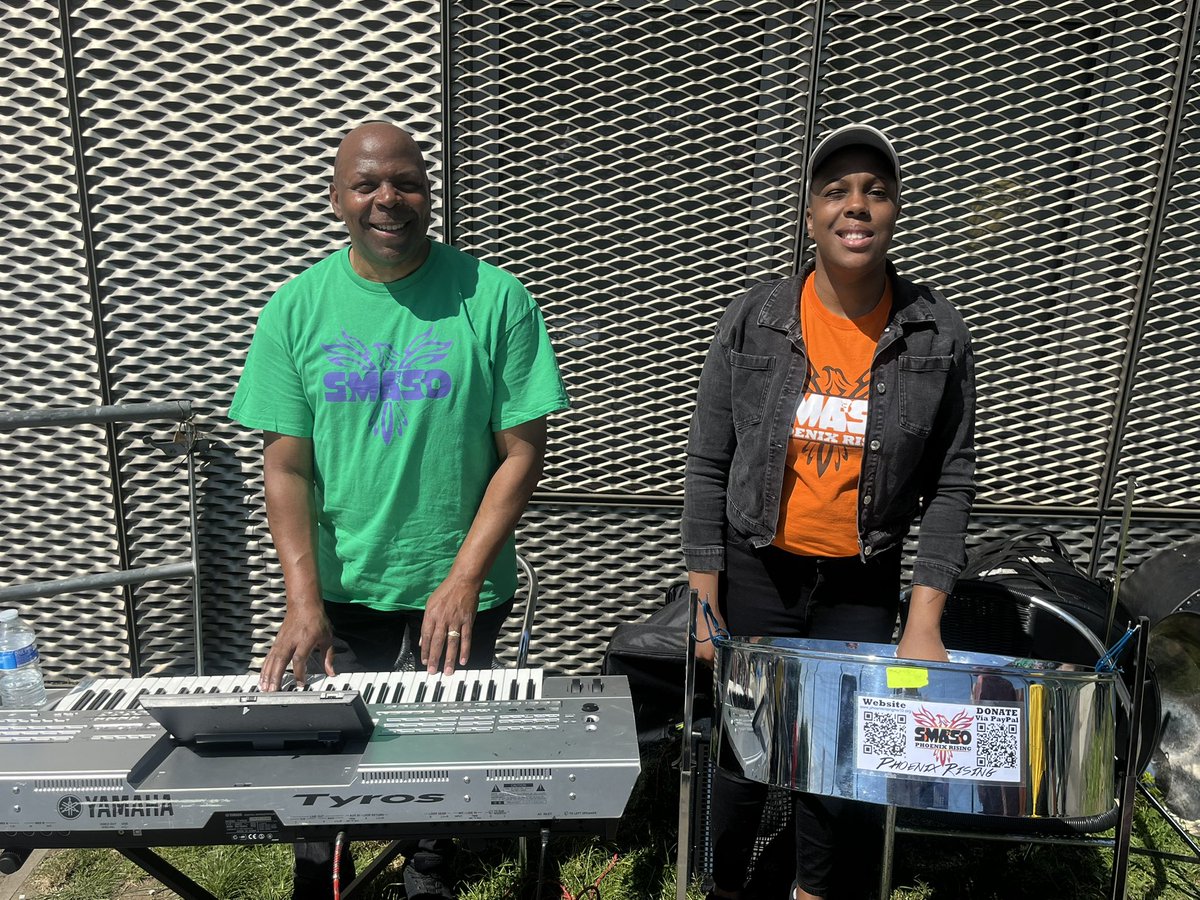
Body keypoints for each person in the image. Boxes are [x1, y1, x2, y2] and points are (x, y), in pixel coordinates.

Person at [228, 121, 569, 900]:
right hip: (343, 584)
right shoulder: (296, 308)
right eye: (367, 184)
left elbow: (522, 452)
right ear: (338, 198)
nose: (389, 199)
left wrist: (461, 578)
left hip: (464, 580)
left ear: (429, 190)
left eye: (406, 182)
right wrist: (301, 600)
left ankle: (428, 872)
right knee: (325, 748)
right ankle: (321, 877)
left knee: (444, 745)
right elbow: (285, 465)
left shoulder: (495, 295)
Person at [681, 124, 976, 900]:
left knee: (837, 762)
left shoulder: (934, 334)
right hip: (758, 570)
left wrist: (925, 616)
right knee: (745, 754)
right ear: (810, 215)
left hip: (859, 582)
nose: (857, 206)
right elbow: (709, 461)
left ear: (896, 211)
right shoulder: (756, 319)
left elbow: (952, 479)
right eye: (837, 191)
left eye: (876, 192)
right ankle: (725, 887)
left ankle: (813, 892)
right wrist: (703, 595)